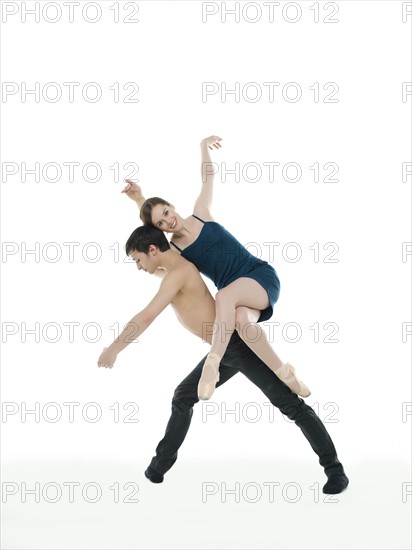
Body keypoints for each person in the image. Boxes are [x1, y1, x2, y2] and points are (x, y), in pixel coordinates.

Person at [97, 225, 349, 495]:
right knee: (183, 396)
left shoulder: (178, 274)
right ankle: (159, 466)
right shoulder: (173, 268)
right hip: (225, 347)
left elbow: (146, 316)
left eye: (137, 259)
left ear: (153, 250)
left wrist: (114, 349)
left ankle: (335, 471)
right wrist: (138, 200)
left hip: (237, 347)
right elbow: (152, 236)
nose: (137, 266)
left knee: (290, 404)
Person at [121, 135, 310, 401]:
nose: (168, 221)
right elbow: (152, 250)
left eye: (166, 212)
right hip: (234, 299)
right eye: (162, 224)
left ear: (171, 206)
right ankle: (286, 374)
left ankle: (212, 365)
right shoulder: (175, 250)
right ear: (160, 231)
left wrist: (202, 147)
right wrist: (138, 201)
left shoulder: (200, 213)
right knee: (242, 323)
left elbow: (207, 178)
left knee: (224, 297)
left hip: (258, 277)